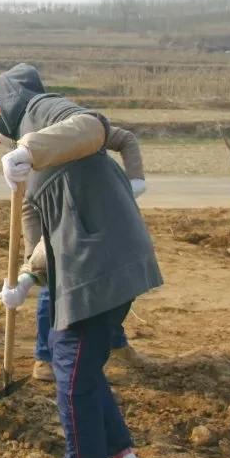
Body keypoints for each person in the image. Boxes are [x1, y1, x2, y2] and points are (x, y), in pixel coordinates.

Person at [0, 63, 162, 458]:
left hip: (98, 265)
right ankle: (116, 449)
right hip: (99, 263)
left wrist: (30, 149)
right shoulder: (30, 169)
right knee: (84, 362)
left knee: (70, 367)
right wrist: (25, 278)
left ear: (3, 110)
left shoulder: (42, 112)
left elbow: (93, 125)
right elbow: (46, 241)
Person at [27, 125, 148, 382]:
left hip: (102, 214)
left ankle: (115, 343)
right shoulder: (33, 143)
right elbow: (29, 207)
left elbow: (126, 138)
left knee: (116, 283)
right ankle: (45, 356)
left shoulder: (83, 129)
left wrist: (135, 180)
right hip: (61, 220)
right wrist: (34, 261)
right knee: (52, 289)